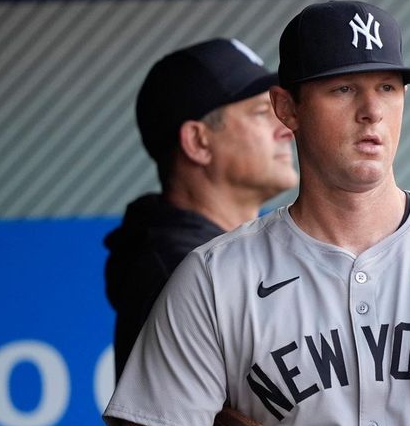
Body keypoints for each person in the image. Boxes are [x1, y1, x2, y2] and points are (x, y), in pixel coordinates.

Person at [103, 1, 410, 426]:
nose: (372, 110)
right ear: (287, 109)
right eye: (342, 89)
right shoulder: (211, 278)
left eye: (388, 87)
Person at [104, 37, 298, 381]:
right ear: (197, 142)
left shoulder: (226, 256)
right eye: (260, 113)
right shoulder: (177, 273)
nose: (286, 129)